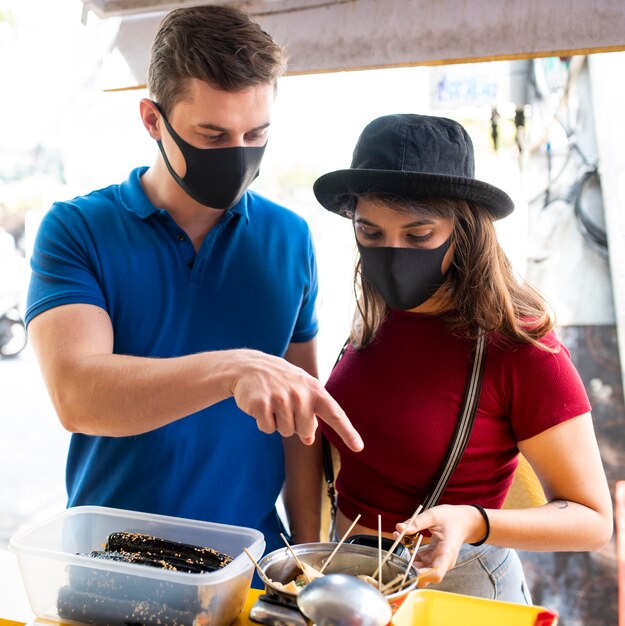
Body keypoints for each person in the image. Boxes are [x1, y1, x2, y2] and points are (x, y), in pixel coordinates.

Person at [25, 4, 362, 557]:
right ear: (153, 120)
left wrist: (306, 561)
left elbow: (299, 423)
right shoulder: (77, 230)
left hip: (249, 560)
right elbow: (77, 395)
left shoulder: (289, 238)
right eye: (212, 134)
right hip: (112, 559)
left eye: (256, 134)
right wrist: (233, 368)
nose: (238, 155)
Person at [313, 113, 612, 602]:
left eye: (418, 236)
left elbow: (593, 520)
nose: (391, 255)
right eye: (370, 233)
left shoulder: (519, 348)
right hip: (352, 579)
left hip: (457, 590)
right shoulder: (375, 316)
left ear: (465, 230)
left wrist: (473, 520)